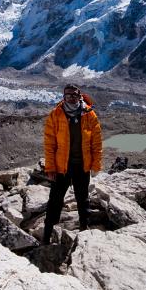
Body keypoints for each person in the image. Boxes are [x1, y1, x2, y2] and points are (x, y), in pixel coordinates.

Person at [42, 84, 102, 245]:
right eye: (68, 95)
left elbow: (96, 143)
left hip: (82, 166)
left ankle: (84, 232)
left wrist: (96, 165)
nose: (71, 98)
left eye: (74, 95)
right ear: (63, 97)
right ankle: (46, 237)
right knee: (55, 201)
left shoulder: (89, 115)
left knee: (83, 200)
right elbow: (50, 144)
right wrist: (50, 168)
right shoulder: (55, 115)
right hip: (62, 167)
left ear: (79, 96)